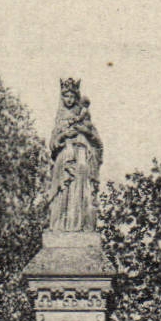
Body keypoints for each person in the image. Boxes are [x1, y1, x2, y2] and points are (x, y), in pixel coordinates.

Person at [46, 78, 102, 232]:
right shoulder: (60, 119)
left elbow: (98, 143)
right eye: (66, 96)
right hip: (65, 157)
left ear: (77, 98)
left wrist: (86, 132)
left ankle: (80, 223)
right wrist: (64, 135)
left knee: (81, 183)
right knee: (64, 187)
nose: (69, 99)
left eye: (72, 96)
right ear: (62, 98)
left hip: (82, 154)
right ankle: (61, 225)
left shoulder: (84, 117)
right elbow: (53, 143)